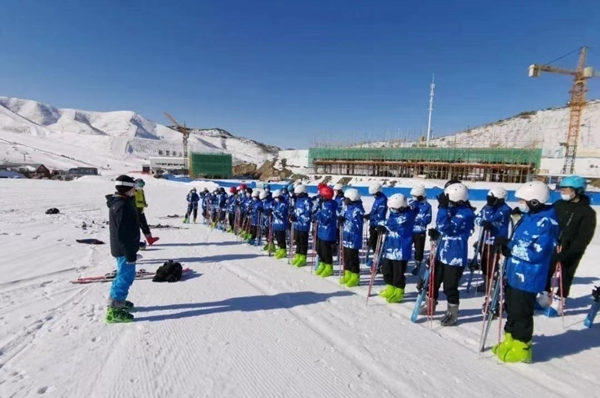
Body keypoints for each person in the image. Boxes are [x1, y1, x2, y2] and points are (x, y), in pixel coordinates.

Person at [492, 181, 559, 363]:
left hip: (529, 276)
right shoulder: (528, 218)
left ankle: (523, 346)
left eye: (524, 200)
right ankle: (510, 339)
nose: (521, 203)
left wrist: (511, 249)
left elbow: (538, 252)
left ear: (535, 202)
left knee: (522, 312)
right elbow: (517, 241)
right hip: (514, 272)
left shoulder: (547, 223)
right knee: (512, 309)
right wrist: (506, 243)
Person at [539, 175, 596, 315]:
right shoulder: (559, 204)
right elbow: (546, 214)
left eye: (566, 189)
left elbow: (583, 238)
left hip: (571, 250)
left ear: (577, 191)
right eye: (561, 189)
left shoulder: (587, 212)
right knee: (546, 271)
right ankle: (543, 298)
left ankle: (559, 303)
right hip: (554, 245)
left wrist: (568, 253)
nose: (562, 191)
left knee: (566, 275)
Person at [424, 182, 475, 326]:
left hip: (455, 256)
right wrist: (436, 233)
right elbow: (441, 227)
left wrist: (443, 209)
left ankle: (452, 313)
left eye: (450, 202)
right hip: (442, 252)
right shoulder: (453, 209)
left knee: (449, 287)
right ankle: (430, 304)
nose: (448, 204)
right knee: (433, 280)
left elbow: (445, 226)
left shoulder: (466, 214)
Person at [105, 175, 141, 323]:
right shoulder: (122, 205)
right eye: (133, 187)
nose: (135, 190)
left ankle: (116, 302)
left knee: (122, 275)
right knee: (125, 277)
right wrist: (130, 253)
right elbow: (122, 233)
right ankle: (114, 311)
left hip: (123, 248)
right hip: (124, 249)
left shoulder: (121, 202)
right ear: (127, 188)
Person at [378, 193, 416, 303]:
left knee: (398, 272)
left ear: (401, 207)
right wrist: (382, 226)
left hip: (401, 250)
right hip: (390, 247)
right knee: (387, 270)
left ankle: (399, 291)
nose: (392, 210)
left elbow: (395, 225)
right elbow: (390, 222)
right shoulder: (394, 214)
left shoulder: (407, 215)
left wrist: (384, 226)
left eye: (394, 208)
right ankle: (390, 287)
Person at [474, 187, 512, 293]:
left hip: (497, 240)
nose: (489, 201)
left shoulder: (505, 209)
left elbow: (490, 218)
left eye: (492, 199)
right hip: (485, 239)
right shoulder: (487, 207)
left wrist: (489, 208)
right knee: (484, 261)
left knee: (492, 263)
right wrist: (481, 222)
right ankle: (486, 281)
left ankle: (492, 282)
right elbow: (477, 217)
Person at [339, 188, 365, 287]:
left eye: (346, 198)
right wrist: (341, 218)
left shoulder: (357, 210)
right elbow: (342, 214)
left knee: (352, 257)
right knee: (346, 256)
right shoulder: (347, 207)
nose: (344, 200)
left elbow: (357, 225)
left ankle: (355, 275)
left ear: (351, 199)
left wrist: (346, 220)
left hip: (354, 237)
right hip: (346, 236)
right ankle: (347, 273)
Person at [314, 185, 338, 278]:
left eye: (322, 196)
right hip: (322, 231)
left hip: (328, 232)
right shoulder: (324, 204)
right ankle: (323, 263)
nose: (320, 197)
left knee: (326, 250)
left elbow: (325, 220)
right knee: (319, 249)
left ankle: (329, 266)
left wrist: (318, 215)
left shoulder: (330, 206)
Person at [408, 185, 432, 275]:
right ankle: (404, 262)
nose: (413, 198)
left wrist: (416, 220)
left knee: (419, 250)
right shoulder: (410, 203)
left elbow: (428, 219)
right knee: (406, 247)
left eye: (415, 196)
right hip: (409, 231)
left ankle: (417, 265)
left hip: (420, 232)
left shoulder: (427, 206)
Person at [365, 182, 388, 264]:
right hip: (373, 223)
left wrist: (376, 221)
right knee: (372, 242)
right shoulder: (377, 199)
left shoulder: (382, 200)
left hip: (378, 224)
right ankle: (376, 257)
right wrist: (369, 215)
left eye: (373, 194)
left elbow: (381, 214)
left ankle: (379, 260)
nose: (373, 195)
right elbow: (374, 211)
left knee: (376, 243)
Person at [290, 184, 312, 267]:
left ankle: (303, 257)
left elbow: (307, 215)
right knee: (298, 241)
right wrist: (293, 216)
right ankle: (298, 255)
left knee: (303, 242)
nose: (296, 195)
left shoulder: (307, 201)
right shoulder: (298, 200)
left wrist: (298, 219)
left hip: (304, 226)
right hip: (297, 225)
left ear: (302, 193)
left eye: (298, 194)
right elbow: (296, 211)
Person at [134, 179, 159, 245]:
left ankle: (150, 239)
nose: (142, 186)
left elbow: (143, 199)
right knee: (136, 227)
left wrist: (144, 203)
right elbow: (135, 203)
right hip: (135, 210)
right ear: (136, 184)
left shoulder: (141, 190)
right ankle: (135, 241)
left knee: (144, 225)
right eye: (140, 184)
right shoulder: (133, 191)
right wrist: (143, 204)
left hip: (141, 210)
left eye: (143, 184)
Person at [271, 189, 289, 259]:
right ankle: (280, 248)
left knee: (281, 238)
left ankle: (283, 250)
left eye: (276, 198)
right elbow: (275, 211)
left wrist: (274, 213)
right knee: (277, 237)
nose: (275, 199)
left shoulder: (283, 204)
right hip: (276, 224)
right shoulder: (277, 204)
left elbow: (282, 215)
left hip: (282, 224)